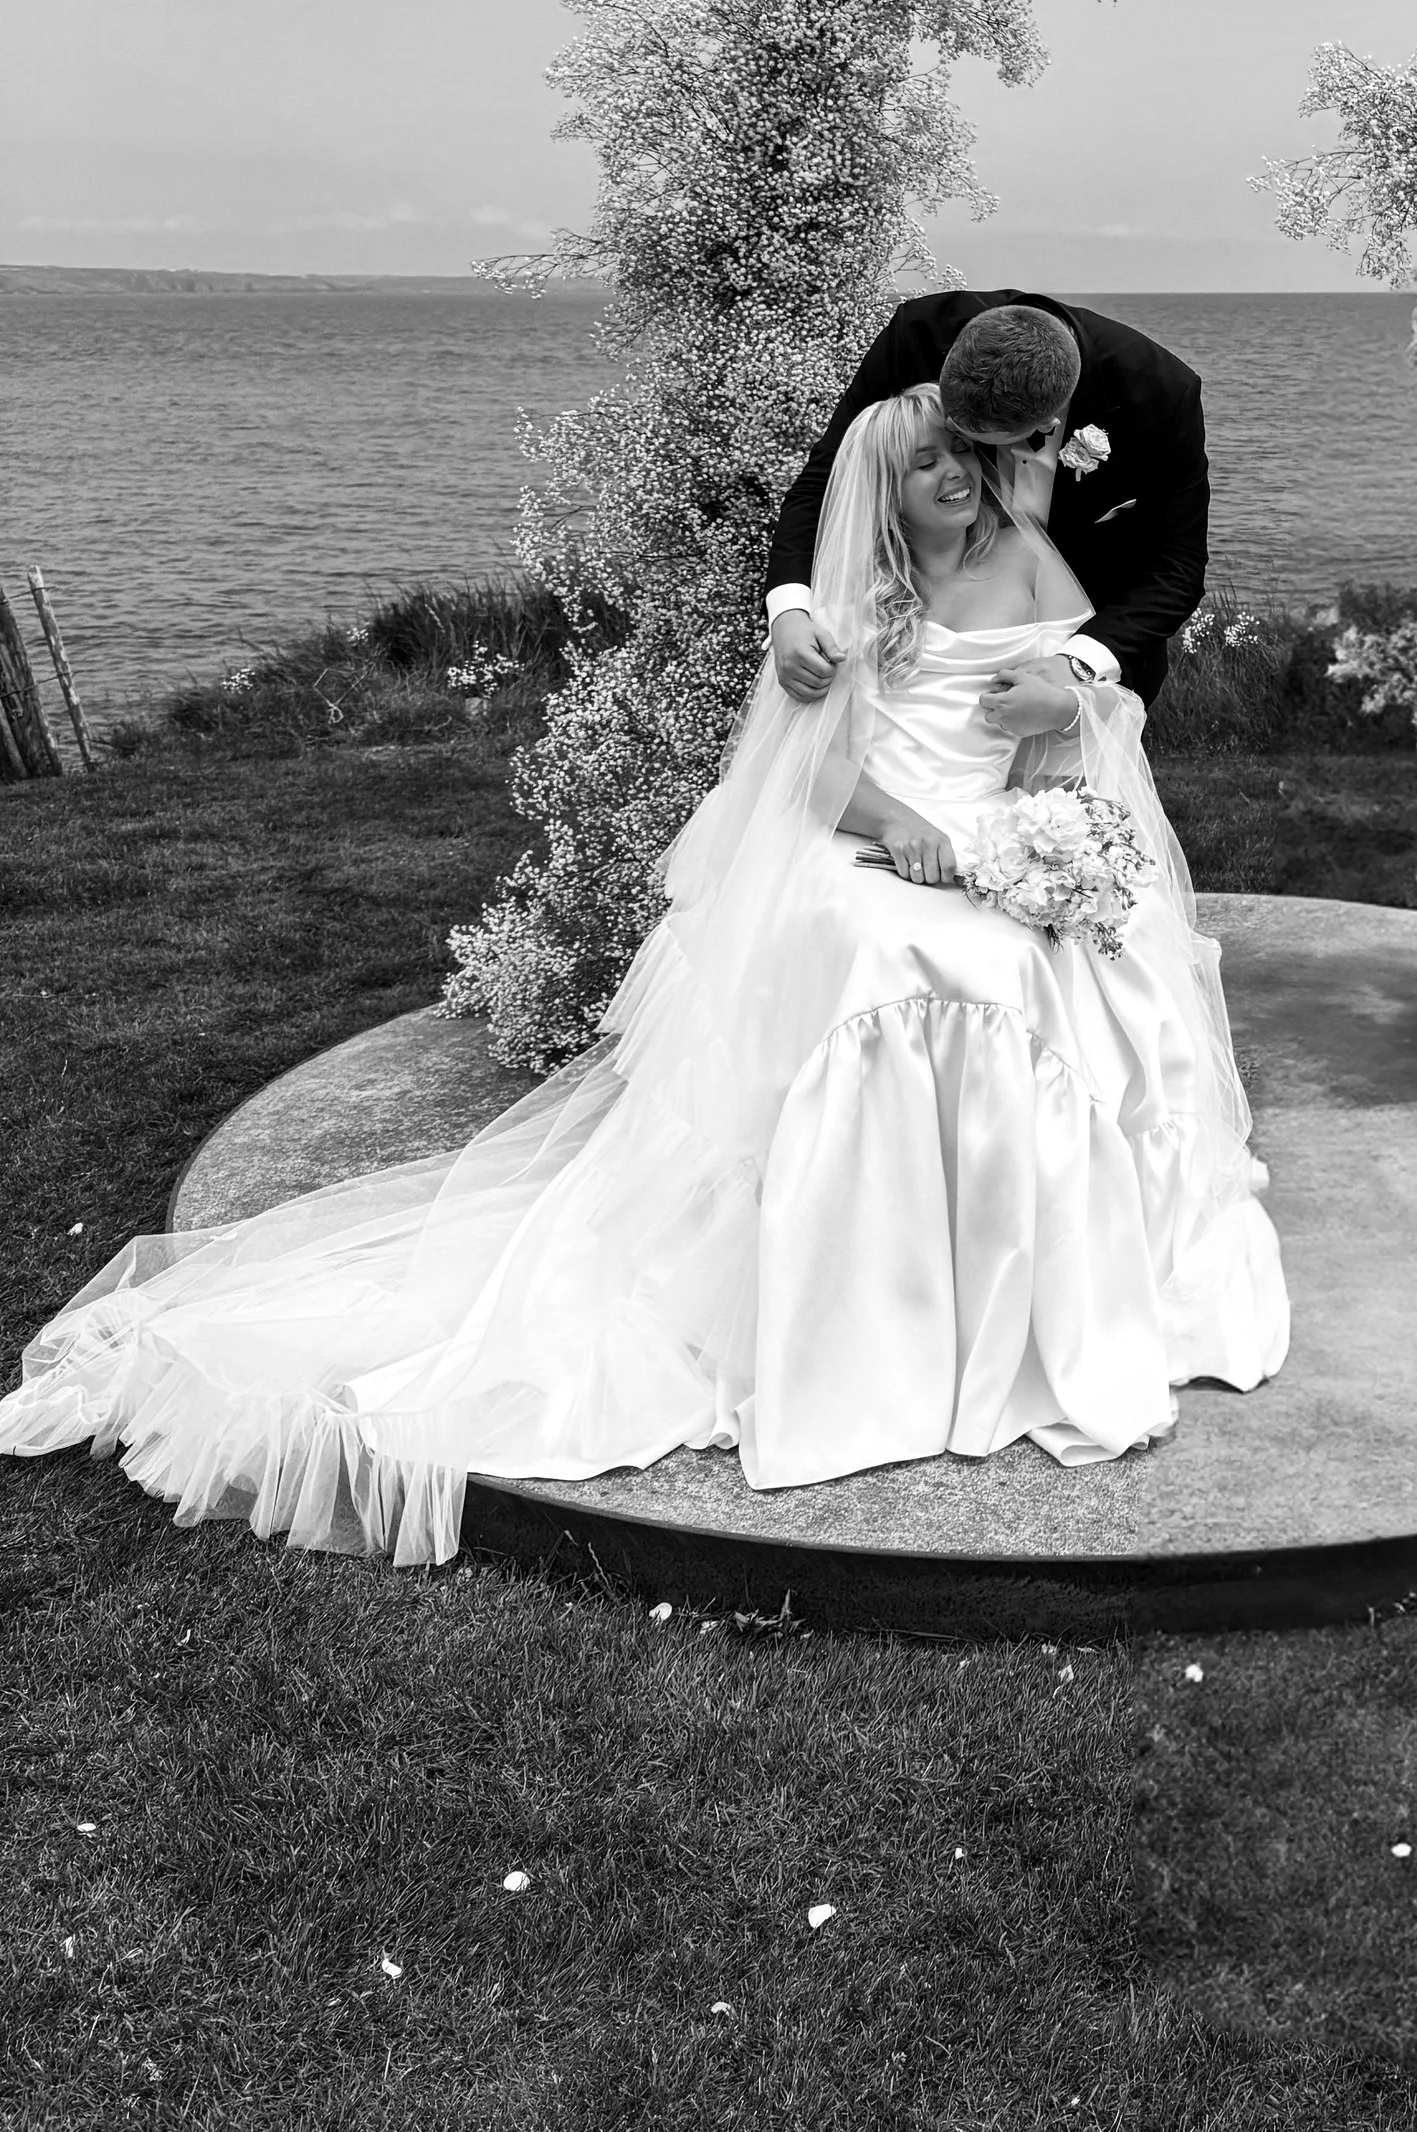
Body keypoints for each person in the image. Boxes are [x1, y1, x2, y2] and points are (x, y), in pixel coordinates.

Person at [0, 385, 1287, 1566]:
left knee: (1037, 966)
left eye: (963, 454)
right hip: (860, 838)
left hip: (994, 840)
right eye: (922, 463)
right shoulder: (843, 605)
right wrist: (899, 826)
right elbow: (801, 779)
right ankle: (865, 1315)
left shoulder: (1029, 559)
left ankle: (1026, 1306)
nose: (952, 476)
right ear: (878, 489)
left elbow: (1072, 725)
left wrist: (1035, 822)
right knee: (886, 952)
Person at [765, 292, 1209, 719]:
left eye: (972, 445)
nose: (962, 461)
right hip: (910, 646)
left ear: (1048, 422)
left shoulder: (1160, 393)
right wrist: (789, 612)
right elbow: (827, 482)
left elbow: (1177, 566)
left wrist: (1076, 663)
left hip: (1090, 653)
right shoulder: (919, 337)